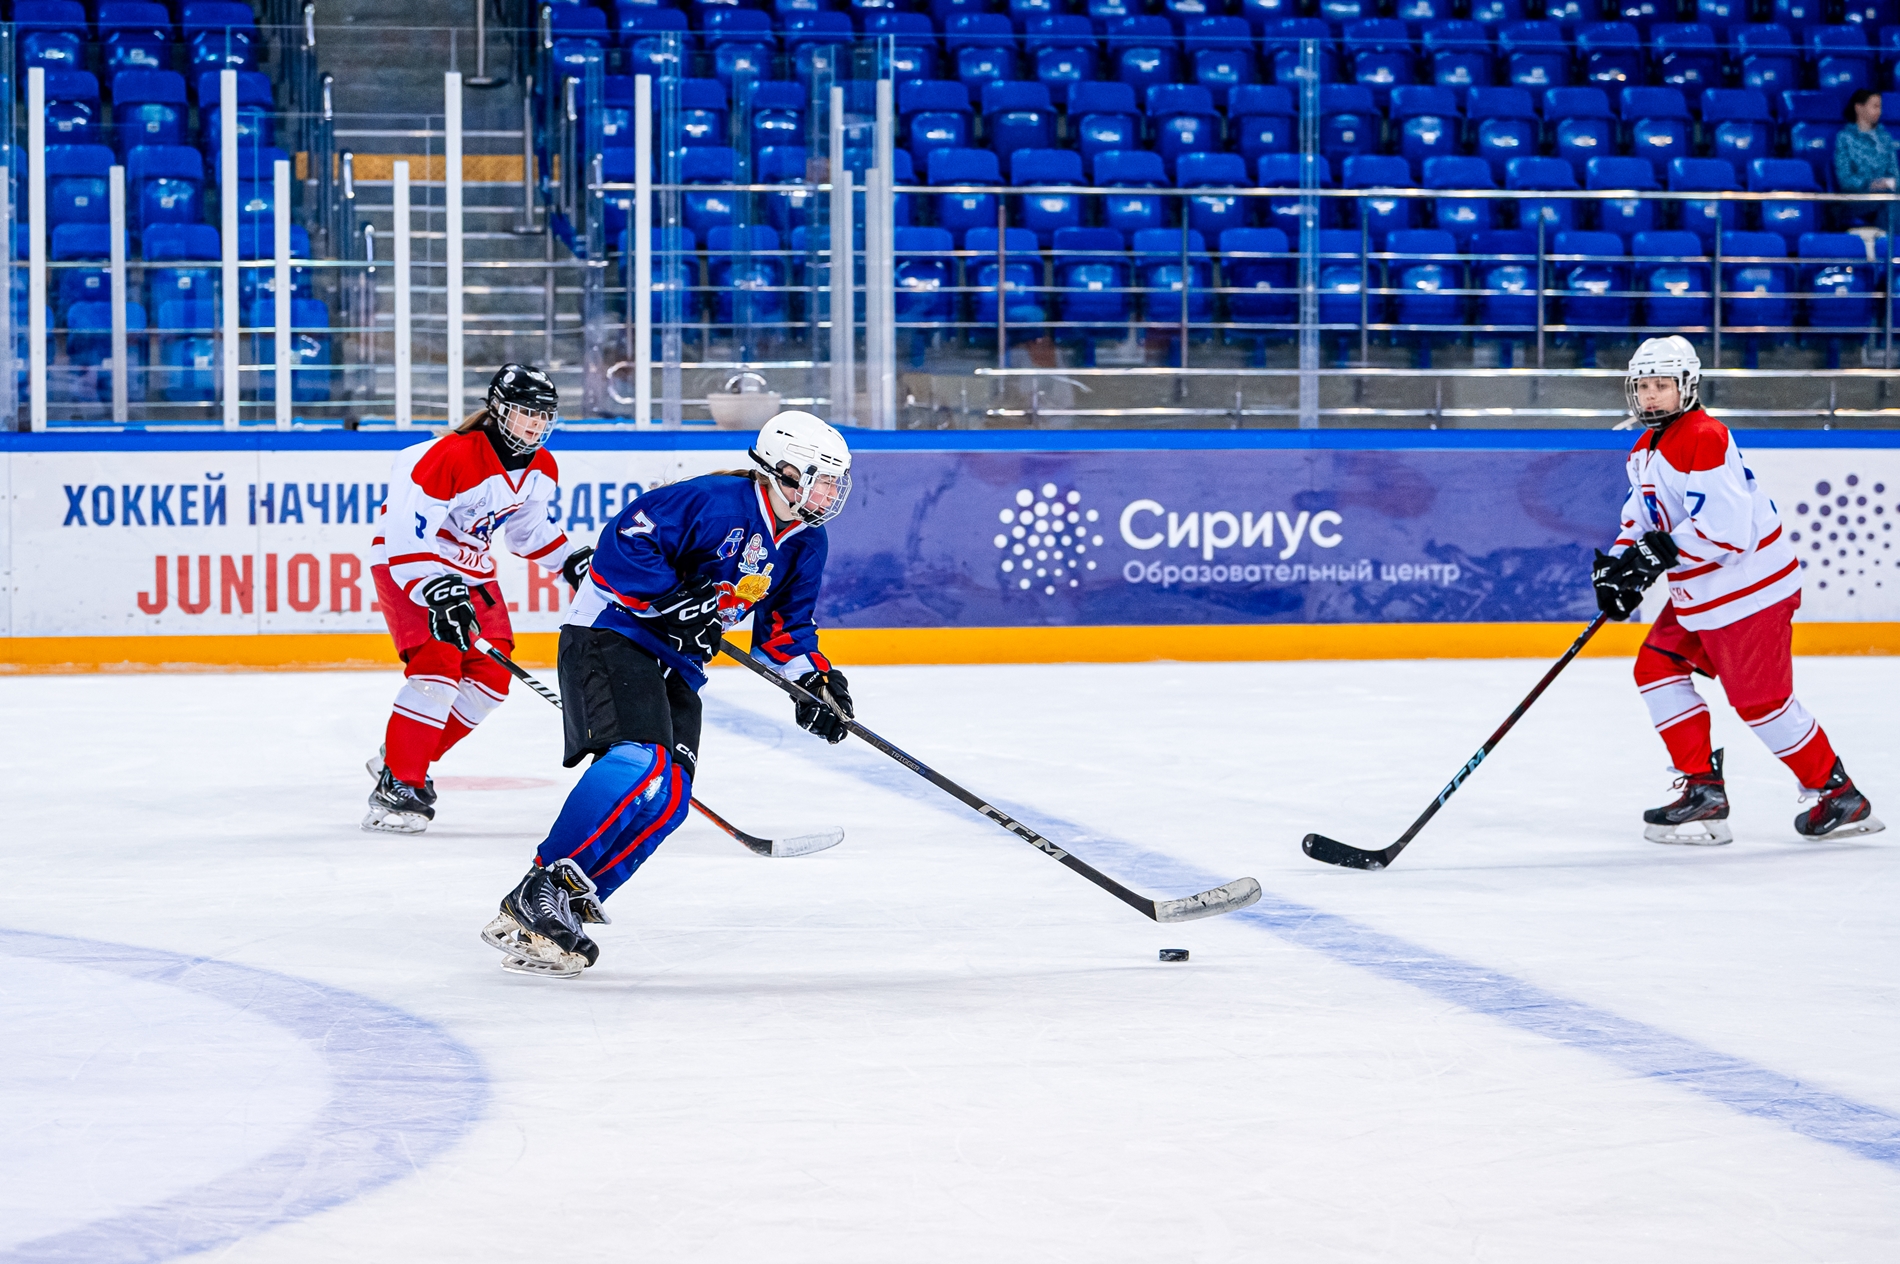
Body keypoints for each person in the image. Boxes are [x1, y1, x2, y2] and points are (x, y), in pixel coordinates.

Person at [480, 411, 856, 978]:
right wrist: (672, 598)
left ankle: (567, 906)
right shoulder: (715, 501)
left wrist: (814, 682)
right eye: (821, 479)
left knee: (670, 797)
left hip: (680, 661)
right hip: (612, 632)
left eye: (835, 482)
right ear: (784, 471)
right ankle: (541, 889)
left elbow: (785, 629)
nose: (829, 493)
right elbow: (621, 544)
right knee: (639, 760)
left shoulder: (807, 541)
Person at [1592, 337, 1882, 846]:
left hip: (1748, 590)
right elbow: (1639, 520)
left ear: (1687, 387)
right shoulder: (1644, 451)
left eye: (1662, 385)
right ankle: (1702, 789)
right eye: (1643, 385)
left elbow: (1726, 533)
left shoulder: (1705, 436)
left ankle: (1839, 795)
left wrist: (1657, 554)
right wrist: (1618, 566)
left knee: (1760, 704)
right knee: (1656, 667)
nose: (1651, 395)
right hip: (1702, 592)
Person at [362, 365, 593, 833]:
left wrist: (569, 560)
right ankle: (399, 782)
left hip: (471, 572)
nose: (536, 424)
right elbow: (405, 533)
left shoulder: (541, 467)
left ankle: (404, 755)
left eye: (543, 415)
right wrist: (433, 587)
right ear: (499, 409)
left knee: (490, 679)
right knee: (438, 668)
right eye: (526, 412)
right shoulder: (447, 456)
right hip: (410, 565)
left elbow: (527, 532)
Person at [1835, 89, 1898, 195]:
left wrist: (1890, 183)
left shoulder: (1885, 137)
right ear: (1859, 108)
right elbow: (1845, 180)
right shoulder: (1844, 138)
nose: (1879, 112)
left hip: (1887, 196)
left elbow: (1895, 174)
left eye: (1880, 107)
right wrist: (1870, 185)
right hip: (1859, 198)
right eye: (1875, 106)